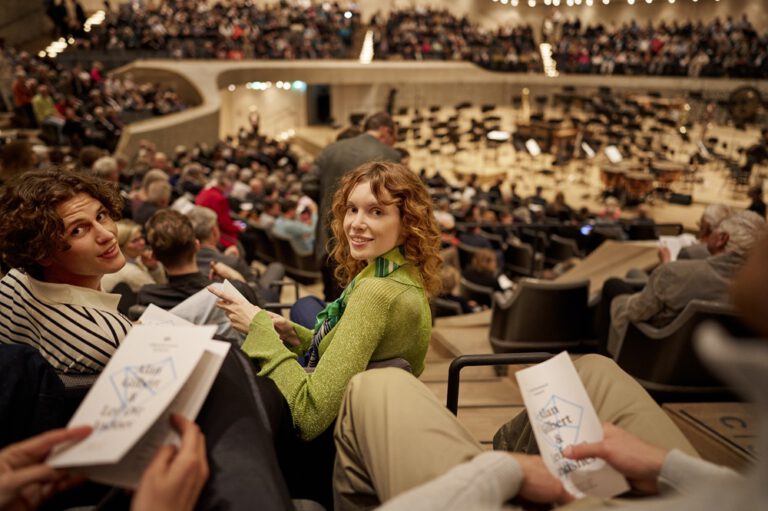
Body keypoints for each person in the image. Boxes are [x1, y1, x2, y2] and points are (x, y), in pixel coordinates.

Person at [330, 226, 768, 511]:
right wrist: (671, 467)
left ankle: (506, 469)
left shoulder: (377, 295)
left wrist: (503, 472)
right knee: (592, 368)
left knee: (379, 384)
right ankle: (515, 452)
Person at [210, 161, 442, 440]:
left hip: (336, 439)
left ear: (408, 223)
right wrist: (295, 336)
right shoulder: (399, 270)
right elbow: (352, 357)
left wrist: (259, 328)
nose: (355, 224)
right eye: (352, 209)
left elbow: (309, 414)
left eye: (376, 212)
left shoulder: (375, 293)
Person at [0, 169, 132, 374]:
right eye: (78, 230)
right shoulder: (109, 339)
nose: (106, 234)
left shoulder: (12, 281)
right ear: (42, 252)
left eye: (101, 215)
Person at [607, 210, 765, 356]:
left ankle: (600, 361)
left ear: (722, 239)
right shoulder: (756, 298)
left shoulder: (673, 272)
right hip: (710, 376)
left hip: (654, 358)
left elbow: (633, 313)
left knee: (613, 288)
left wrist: (620, 303)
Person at [303, 111, 402, 301]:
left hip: (329, 236)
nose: (393, 142)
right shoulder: (390, 154)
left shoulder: (331, 149)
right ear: (385, 131)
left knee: (331, 299)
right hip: (370, 241)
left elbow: (308, 184)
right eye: (393, 137)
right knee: (364, 297)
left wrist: (332, 206)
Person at [137, 210, 258, 310]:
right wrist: (236, 277)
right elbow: (263, 320)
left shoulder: (148, 296)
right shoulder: (231, 292)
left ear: (154, 256)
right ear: (197, 246)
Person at [100, 220, 166, 293]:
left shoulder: (136, 259)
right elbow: (161, 293)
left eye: (141, 237)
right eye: (135, 241)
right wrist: (155, 269)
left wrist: (153, 267)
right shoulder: (130, 271)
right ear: (120, 246)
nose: (142, 242)